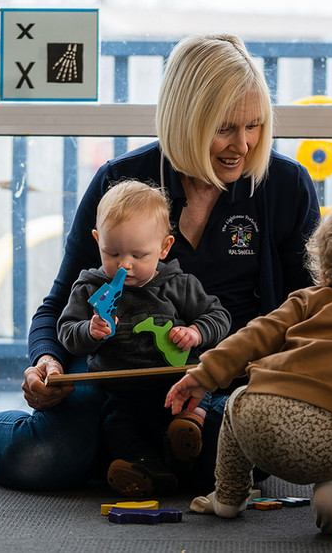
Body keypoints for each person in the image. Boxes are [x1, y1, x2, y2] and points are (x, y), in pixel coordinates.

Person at [0, 33, 321, 492]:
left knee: (220, 465)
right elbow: (58, 303)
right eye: (225, 129)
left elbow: (310, 314)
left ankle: (113, 455)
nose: (244, 144)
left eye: (254, 125)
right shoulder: (120, 182)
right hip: (114, 375)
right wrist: (45, 362)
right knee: (42, 456)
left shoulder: (284, 187)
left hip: (219, 381)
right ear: (184, 119)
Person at [165, 197, 332, 534]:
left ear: (325, 272)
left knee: (234, 403)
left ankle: (228, 496)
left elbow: (255, 335)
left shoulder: (309, 299)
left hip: (260, 415)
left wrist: (205, 374)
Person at [57, 180, 231, 497]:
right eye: (112, 252)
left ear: (164, 247)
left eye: (139, 254)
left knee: (200, 391)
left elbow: (219, 317)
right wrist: (89, 331)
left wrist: (195, 332)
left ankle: (189, 427)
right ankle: (147, 468)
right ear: (97, 241)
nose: (125, 264)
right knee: (117, 427)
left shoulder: (178, 284)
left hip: (176, 382)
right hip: (121, 390)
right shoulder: (89, 287)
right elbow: (67, 331)